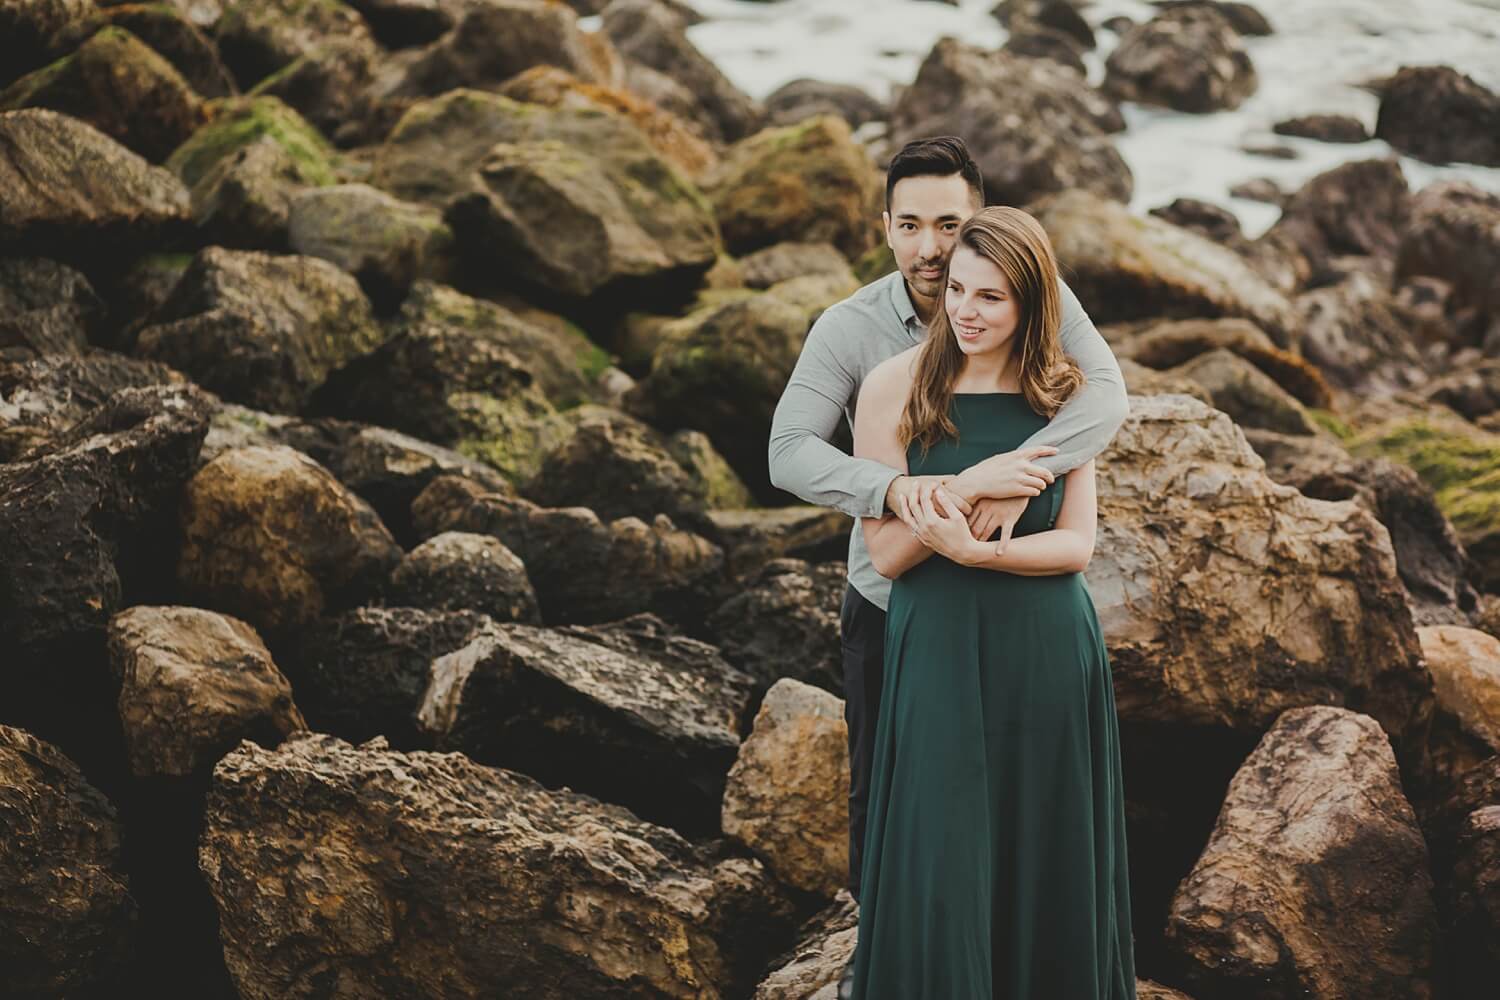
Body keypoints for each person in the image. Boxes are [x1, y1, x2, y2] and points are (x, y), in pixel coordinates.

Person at [766, 136, 1129, 996]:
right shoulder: (856, 334)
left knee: (1026, 809)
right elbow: (787, 454)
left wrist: (1025, 472)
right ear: (886, 229)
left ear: (979, 221)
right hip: (895, 604)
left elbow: (1103, 397)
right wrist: (920, 495)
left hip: (1024, 621)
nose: (932, 250)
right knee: (894, 806)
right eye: (911, 227)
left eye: (949, 225)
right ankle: (894, 960)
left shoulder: (1036, 296)